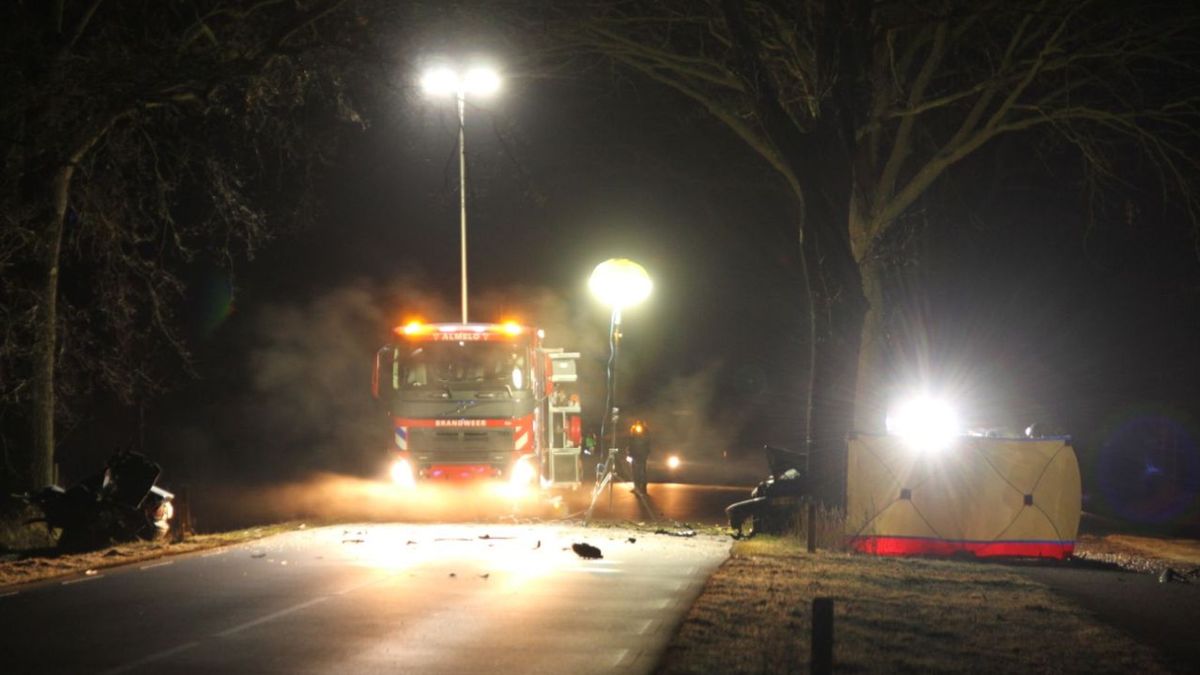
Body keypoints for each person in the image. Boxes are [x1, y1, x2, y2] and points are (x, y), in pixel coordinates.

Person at [628, 419, 651, 495]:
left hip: (641, 454)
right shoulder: (634, 430)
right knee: (635, 471)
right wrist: (629, 452)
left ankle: (643, 488)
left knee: (641, 471)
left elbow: (646, 443)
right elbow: (631, 442)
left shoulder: (644, 431)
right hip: (636, 454)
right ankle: (637, 487)